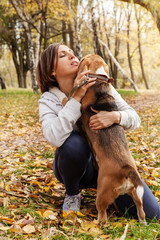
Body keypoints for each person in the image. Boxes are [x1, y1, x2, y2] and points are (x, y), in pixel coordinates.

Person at [36, 43, 160, 221]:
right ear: (51, 71)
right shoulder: (48, 100)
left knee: (152, 214)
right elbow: (54, 137)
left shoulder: (100, 84)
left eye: (72, 52)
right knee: (74, 145)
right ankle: (72, 194)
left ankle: (111, 191)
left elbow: (135, 118)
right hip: (76, 167)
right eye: (63, 55)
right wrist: (76, 97)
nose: (72, 56)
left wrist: (115, 116)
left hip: (110, 166)